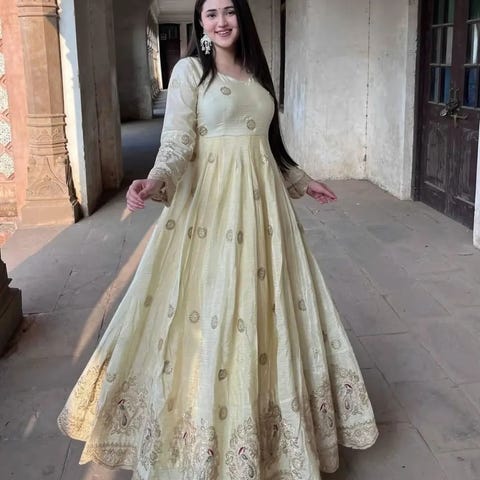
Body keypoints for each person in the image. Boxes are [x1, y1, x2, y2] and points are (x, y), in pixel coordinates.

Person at [58, 0, 378, 478]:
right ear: (201, 22)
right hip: (209, 211)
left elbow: (266, 145)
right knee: (211, 309)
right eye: (211, 13)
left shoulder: (257, 73)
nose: (221, 21)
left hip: (265, 215)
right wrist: (155, 179)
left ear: (241, 17)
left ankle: (270, 435)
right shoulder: (190, 72)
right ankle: (202, 434)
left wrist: (301, 181)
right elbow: (177, 142)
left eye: (229, 11)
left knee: (267, 309)